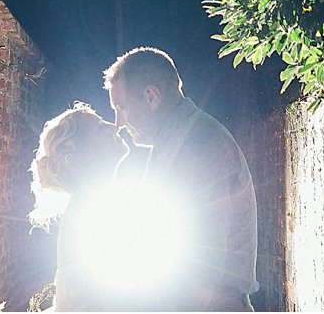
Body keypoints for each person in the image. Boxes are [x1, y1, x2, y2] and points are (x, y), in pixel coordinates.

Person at [104, 47, 259, 311]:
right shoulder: (180, 140)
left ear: (151, 97)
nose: (118, 121)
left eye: (122, 106)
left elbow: (199, 267)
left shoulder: (198, 145)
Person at [28, 102, 128, 311]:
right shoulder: (91, 208)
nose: (113, 127)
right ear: (80, 153)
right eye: (100, 128)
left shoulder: (102, 197)